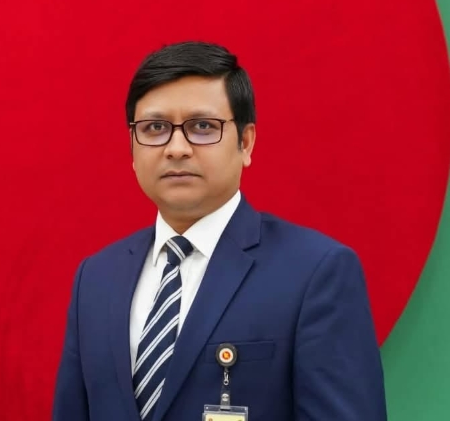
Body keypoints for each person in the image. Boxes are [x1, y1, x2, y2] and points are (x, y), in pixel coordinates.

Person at [52, 41, 387, 421]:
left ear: (245, 142)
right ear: (132, 147)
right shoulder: (95, 279)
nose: (176, 148)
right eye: (155, 128)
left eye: (202, 127)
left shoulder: (315, 273)